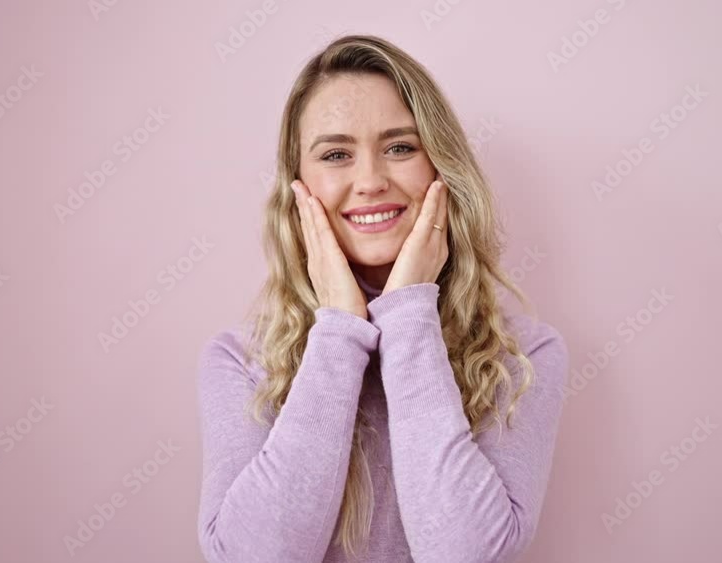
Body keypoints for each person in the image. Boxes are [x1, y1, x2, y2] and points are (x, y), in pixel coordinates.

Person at [196, 34, 568, 563]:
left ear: (441, 167)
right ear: (298, 187)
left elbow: (462, 553)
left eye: (400, 147)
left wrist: (410, 312)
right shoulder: (238, 360)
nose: (370, 181)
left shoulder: (525, 356)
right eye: (336, 154)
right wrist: (340, 332)